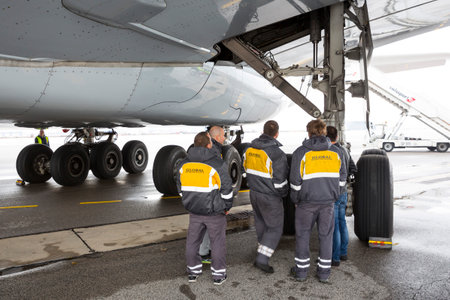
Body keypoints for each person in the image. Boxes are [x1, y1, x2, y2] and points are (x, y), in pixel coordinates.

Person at [289, 119, 346, 283]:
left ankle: (301, 272)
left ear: (309, 132)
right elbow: (342, 179)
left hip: (306, 203)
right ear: (324, 132)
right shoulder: (336, 152)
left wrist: (296, 199)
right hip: (328, 202)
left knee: (302, 236)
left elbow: (295, 181)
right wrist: (335, 195)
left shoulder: (301, 152)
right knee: (326, 236)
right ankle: (324, 273)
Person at [176, 131, 233, 285]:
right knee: (217, 242)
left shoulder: (183, 164)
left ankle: (193, 272)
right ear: (209, 145)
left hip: (194, 211)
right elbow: (227, 190)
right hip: (214, 212)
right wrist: (226, 207)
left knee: (192, 242)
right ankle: (218, 275)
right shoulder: (217, 164)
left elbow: (181, 189)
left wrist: (191, 202)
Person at [243, 120, 289, 273]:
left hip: (254, 193)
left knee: (261, 221)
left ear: (263, 131)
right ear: (276, 134)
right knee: (275, 227)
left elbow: (245, 168)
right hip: (269, 196)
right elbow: (280, 181)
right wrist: (283, 194)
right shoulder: (276, 153)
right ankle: (262, 259)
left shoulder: (249, 149)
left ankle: (261, 248)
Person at [326, 126, 357, 267]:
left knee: (334, 226)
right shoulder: (345, 150)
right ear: (337, 137)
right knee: (342, 222)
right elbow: (353, 169)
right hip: (343, 191)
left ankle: (335, 257)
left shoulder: (329, 151)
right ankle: (343, 252)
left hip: (332, 192)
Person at [198, 126, 226, 264]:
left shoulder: (204, 150)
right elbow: (219, 175)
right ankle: (205, 254)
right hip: (210, 194)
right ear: (216, 137)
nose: (225, 138)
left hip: (199, 194)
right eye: (223, 135)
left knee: (201, 225)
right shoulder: (214, 152)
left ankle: (203, 251)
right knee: (212, 226)